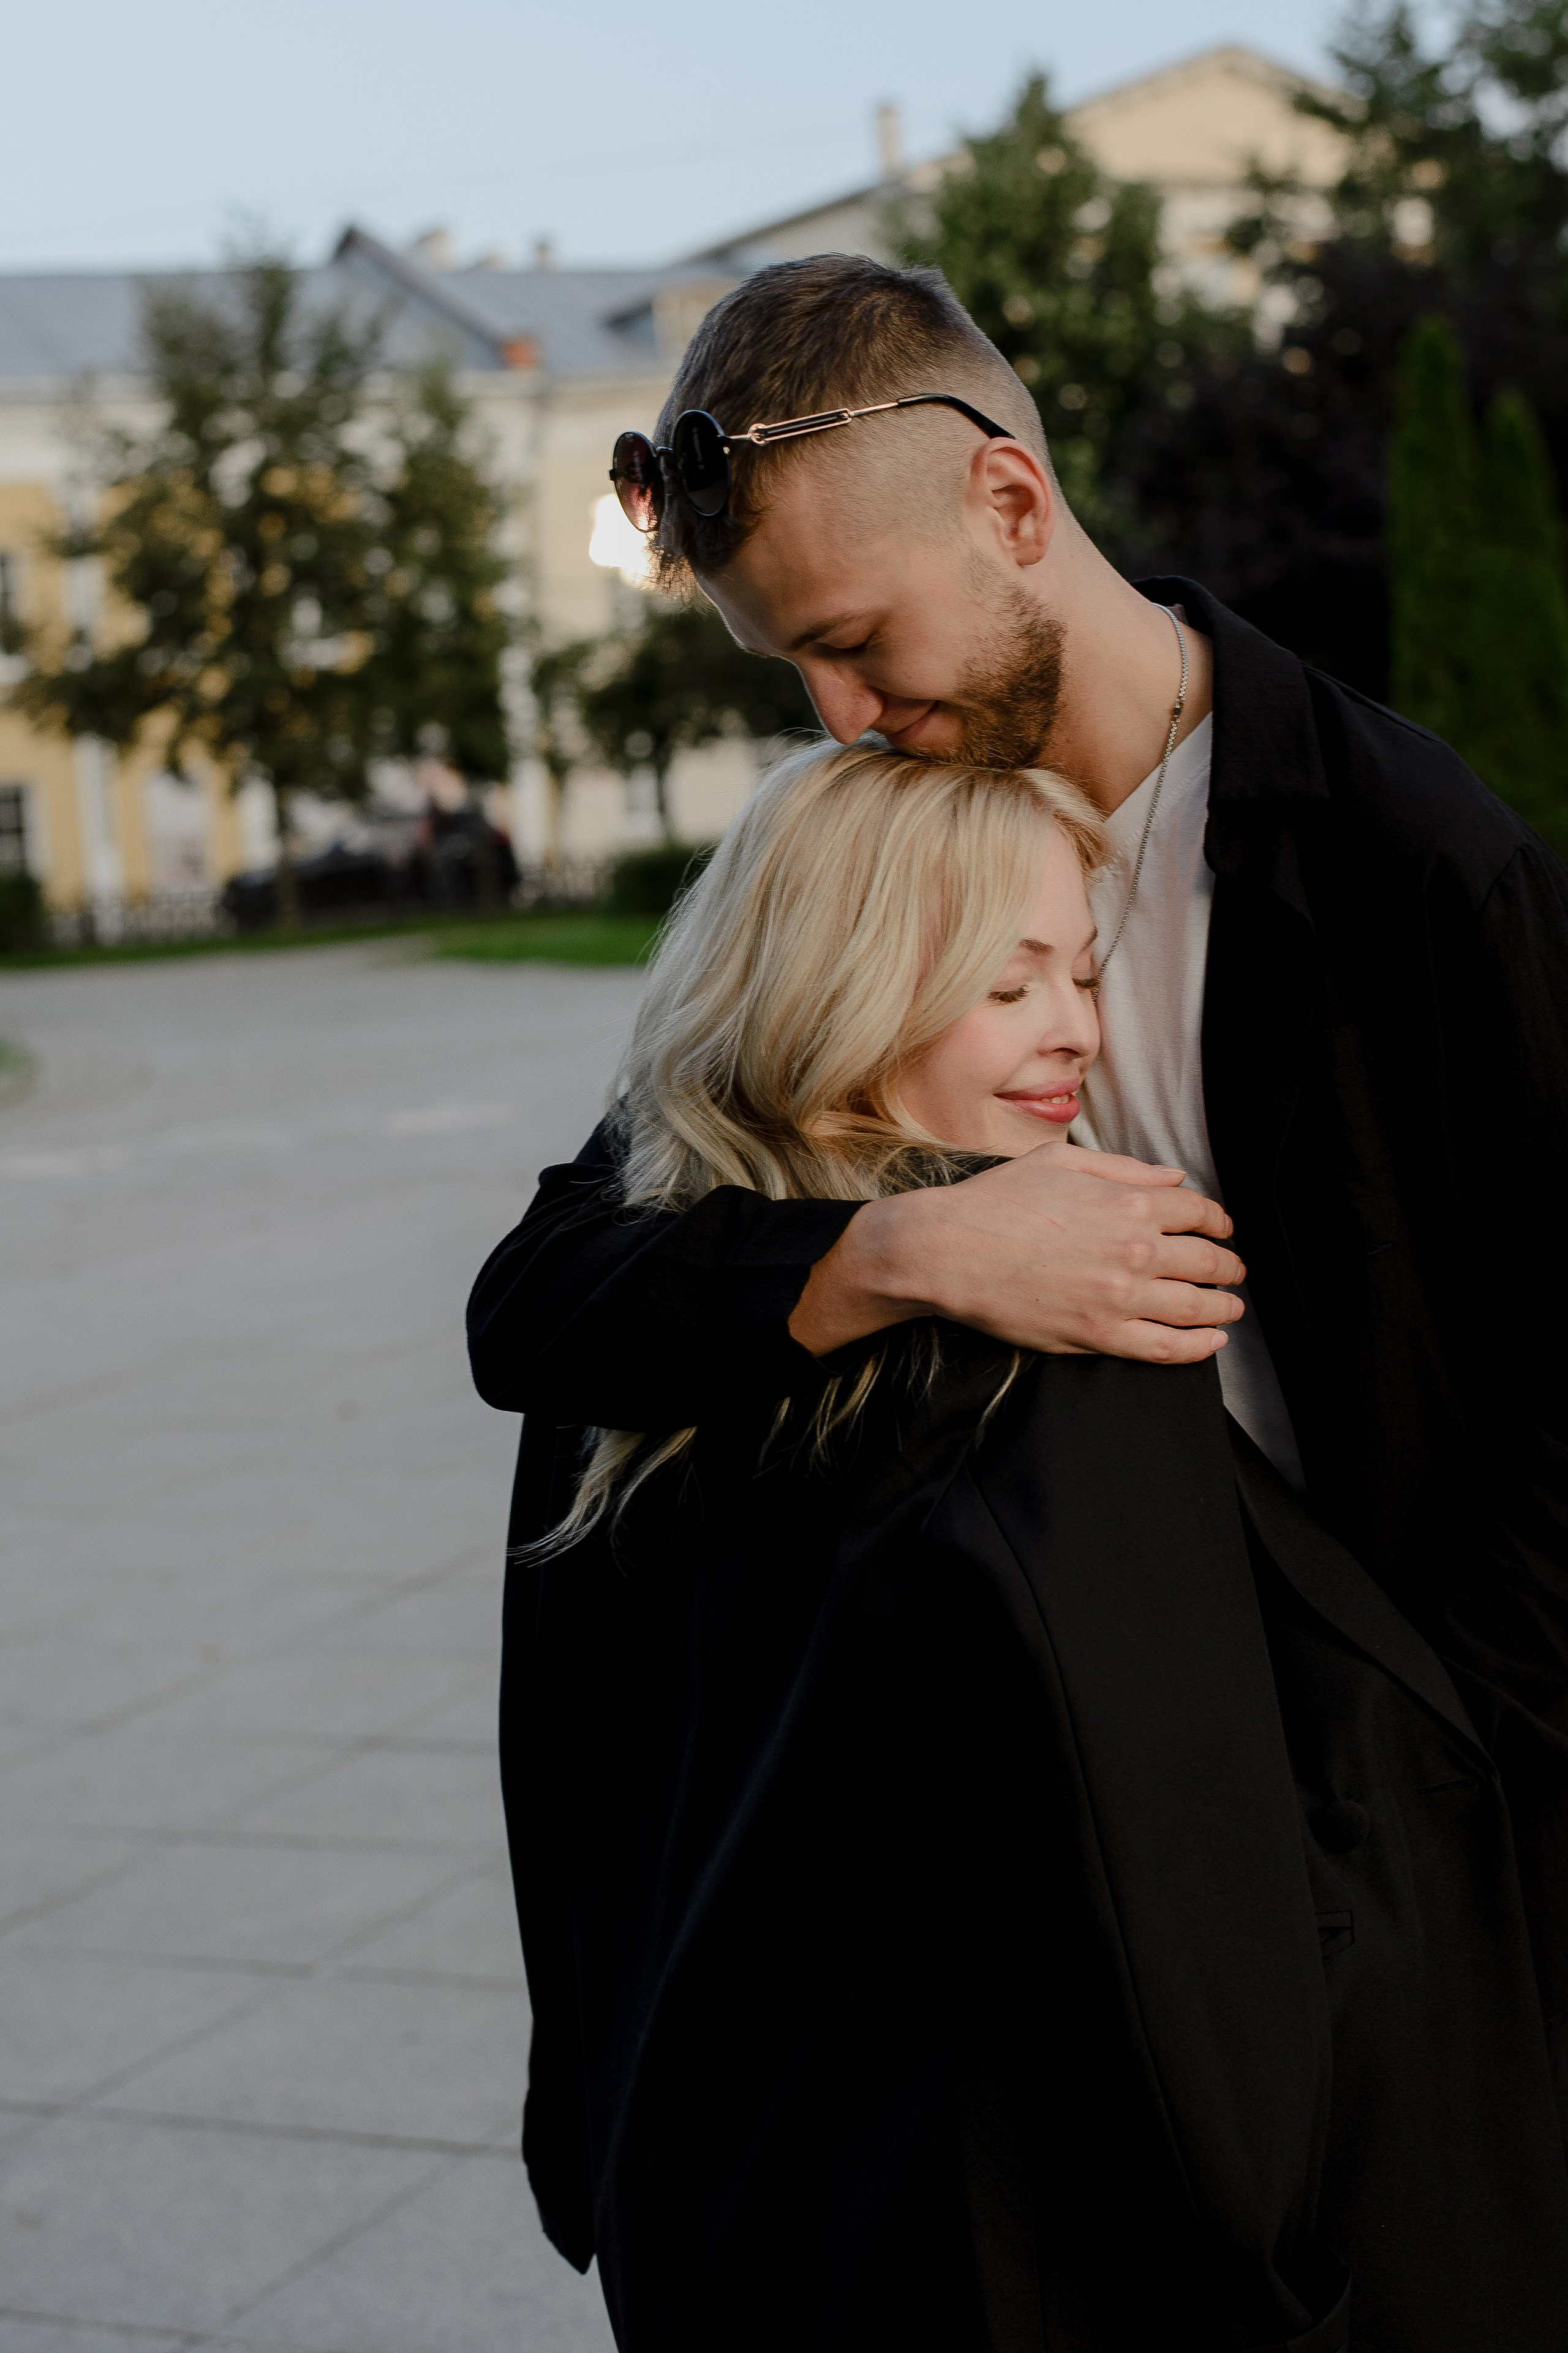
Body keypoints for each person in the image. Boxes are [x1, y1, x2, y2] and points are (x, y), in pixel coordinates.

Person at [469, 257, 1568, 2344]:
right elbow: (545, 1299)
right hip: (1034, 1876)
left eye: (855, 645)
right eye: (798, 670)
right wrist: (894, 1248)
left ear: (1005, 501)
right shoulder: (909, 862)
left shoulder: (1422, 866)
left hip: (1357, 1851)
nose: (840, 717)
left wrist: (1433, 1802)